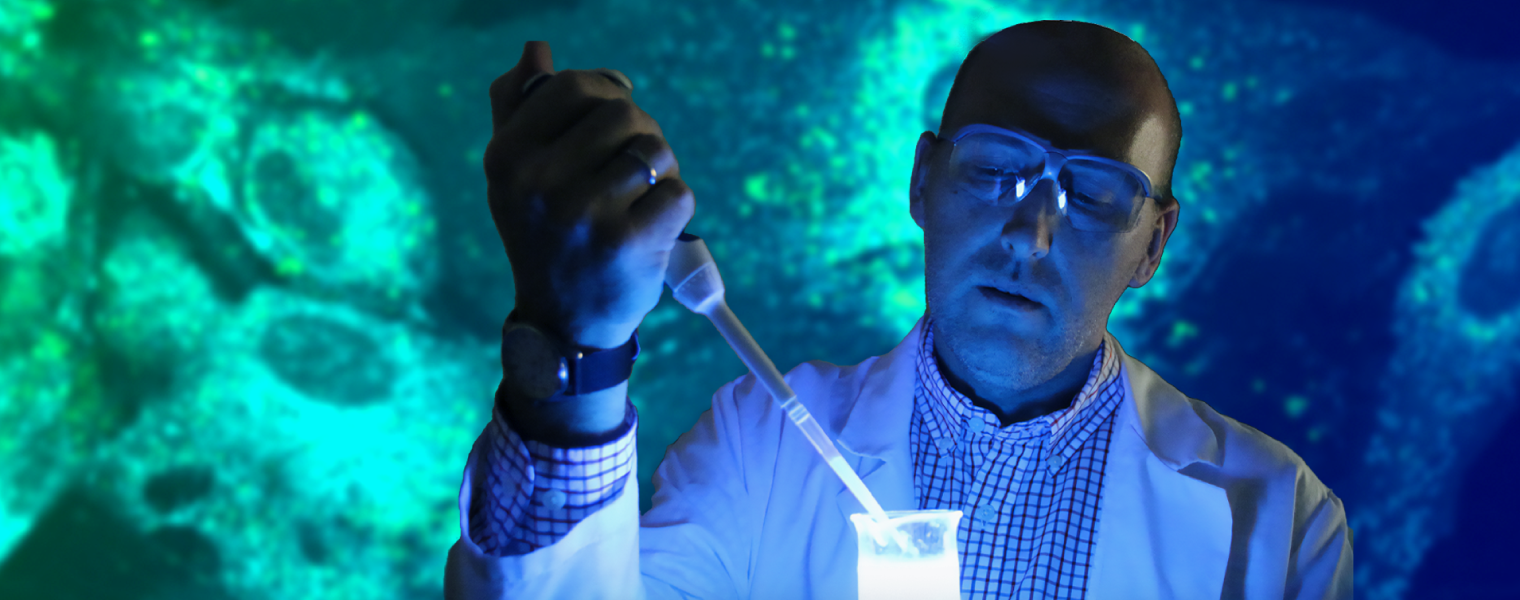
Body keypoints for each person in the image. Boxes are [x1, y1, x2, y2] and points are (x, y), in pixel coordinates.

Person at [445, 20, 1354, 599]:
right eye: (995, 167)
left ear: (1153, 244)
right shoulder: (761, 444)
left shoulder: (1282, 520)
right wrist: (577, 343)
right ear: (924, 181)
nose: (1031, 233)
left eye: (1094, 192)